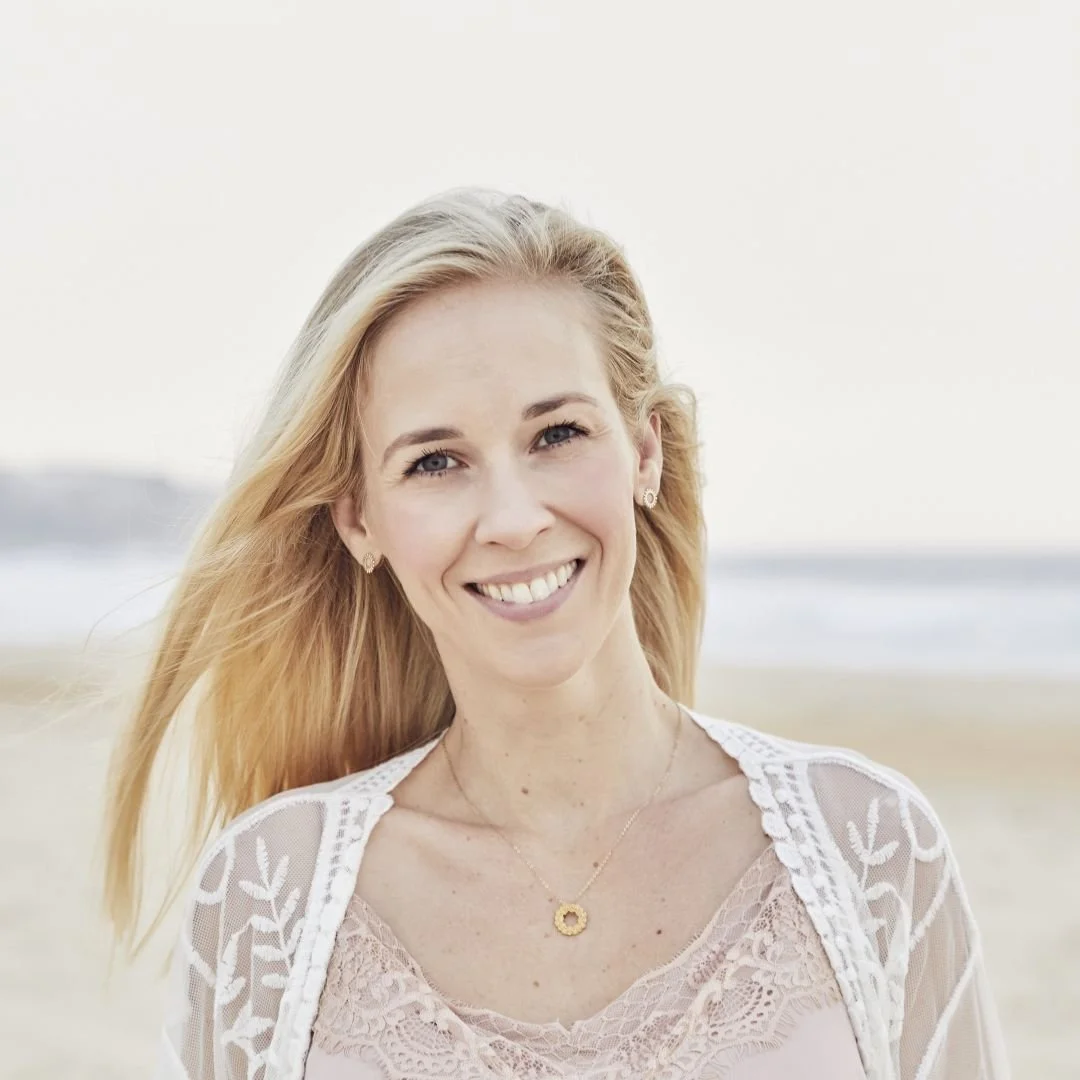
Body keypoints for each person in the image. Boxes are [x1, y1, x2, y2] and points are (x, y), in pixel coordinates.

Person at [101, 189, 1011, 1079]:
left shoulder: (869, 849)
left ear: (644, 453)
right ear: (359, 522)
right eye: (436, 461)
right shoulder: (269, 896)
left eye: (557, 434)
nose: (512, 517)